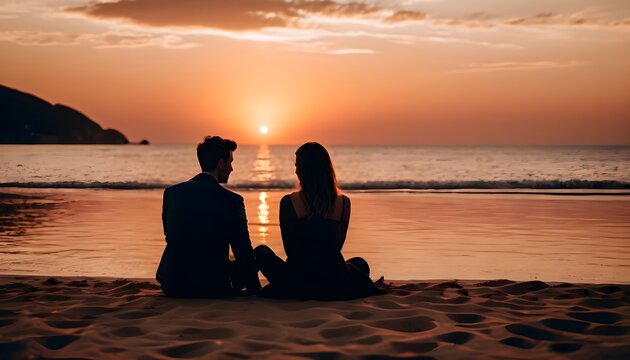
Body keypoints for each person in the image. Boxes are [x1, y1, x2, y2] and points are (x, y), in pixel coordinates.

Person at [255, 142, 379, 300]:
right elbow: (336, 247)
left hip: (298, 279)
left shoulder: (289, 202)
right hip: (333, 279)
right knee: (359, 264)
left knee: (261, 252)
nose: (295, 171)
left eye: (297, 166)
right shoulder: (343, 203)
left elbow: (290, 251)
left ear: (303, 169)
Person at [156, 136, 261, 297]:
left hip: (173, 284)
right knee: (257, 254)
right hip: (213, 285)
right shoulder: (232, 200)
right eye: (230, 162)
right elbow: (242, 250)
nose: (232, 169)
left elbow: (170, 234)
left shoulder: (171, 193)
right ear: (220, 164)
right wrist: (255, 290)